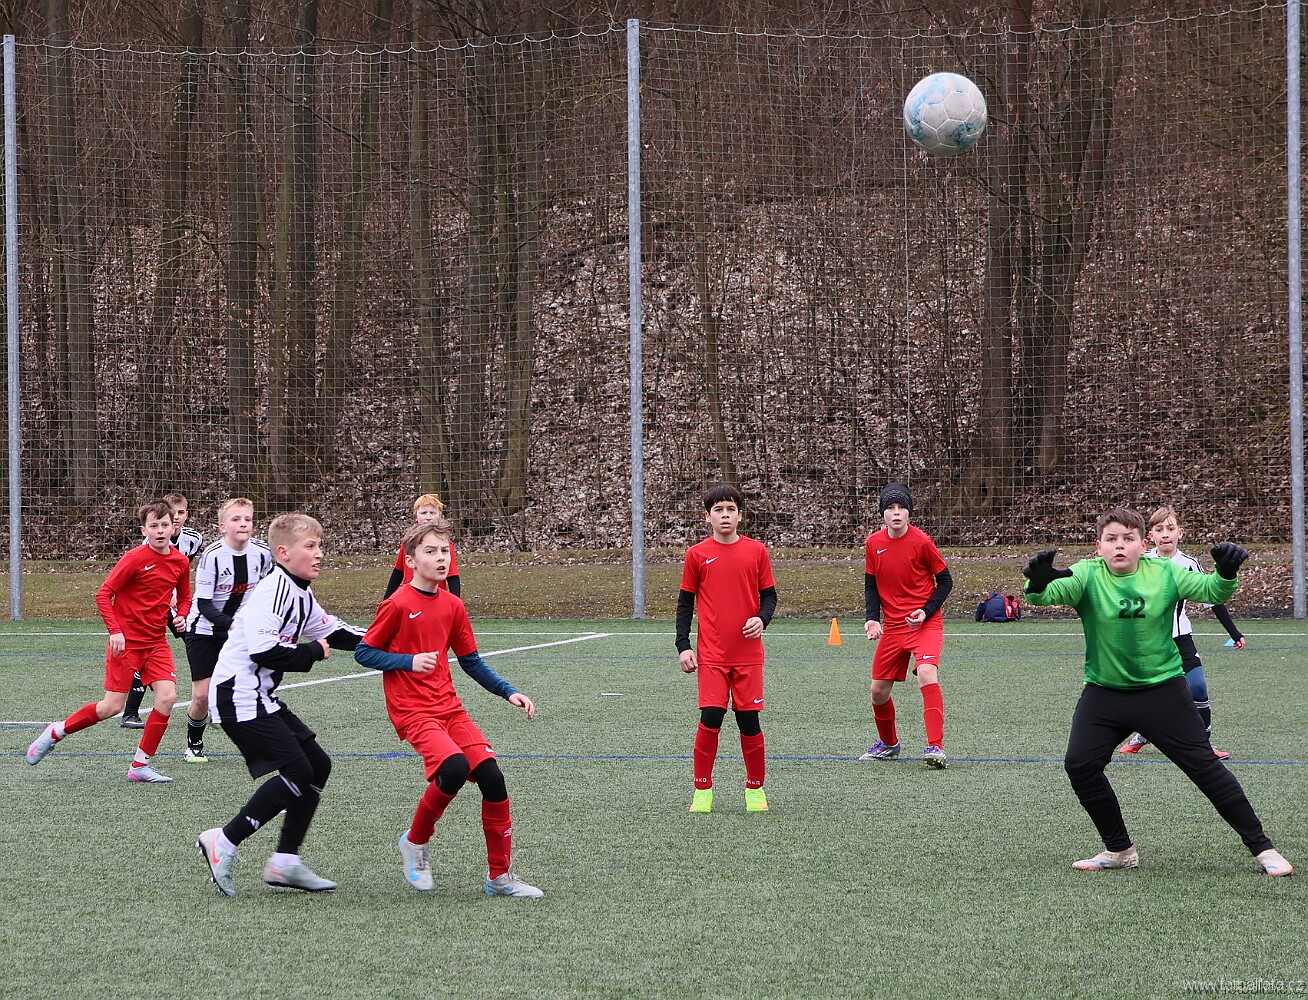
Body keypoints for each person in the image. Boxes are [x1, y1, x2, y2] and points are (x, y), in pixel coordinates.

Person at [1022, 506, 1292, 877]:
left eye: (1128, 538)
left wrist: (1226, 573)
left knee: (1205, 768)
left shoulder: (1165, 571)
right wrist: (1037, 584)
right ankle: (1120, 850)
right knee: (1080, 766)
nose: (1119, 546)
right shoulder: (1086, 573)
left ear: (1143, 543)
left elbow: (1211, 589)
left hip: (1163, 692)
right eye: (1111, 539)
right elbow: (1043, 596)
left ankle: (1264, 849)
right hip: (1104, 694)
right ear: (1098, 546)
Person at [355, 518, 542, 897]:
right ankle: (415, 842)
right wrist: (407, 662)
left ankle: (500, 877)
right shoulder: (396, 604)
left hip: (449, 708)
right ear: (410, 561)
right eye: (431, 551)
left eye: (445, 551)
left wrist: (508, 692)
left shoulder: (453, 605)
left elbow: (470, 661)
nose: (441, 558)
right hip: (412, 711)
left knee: (492, 778)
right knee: (454, 767)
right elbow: (364, 652)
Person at [196, 513, 364, 897]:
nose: (319, 554)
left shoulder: (301, 592)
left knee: (317, 766)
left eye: (320, 546)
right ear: (284, 553)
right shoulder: (271, 591)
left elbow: (334, 631)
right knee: (299, 772)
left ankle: (285, 862)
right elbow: (264, 651)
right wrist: (311, 653)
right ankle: (223, 840)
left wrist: (387, 637)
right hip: (237, 696)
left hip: (259, 696)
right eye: (311, 546)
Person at [27, 500, 191, 783]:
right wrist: (115, 631)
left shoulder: (180, 562)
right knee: (111, 707)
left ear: (173, 528)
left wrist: (182, 616)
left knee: (167, 698)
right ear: (144, 530)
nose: (160, 530)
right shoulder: (134, 558)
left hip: (156, 643)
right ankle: (57, 731)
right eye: (154, 526)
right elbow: (104, 594)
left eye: (165, 525)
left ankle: (140, 766)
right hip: (125, 643)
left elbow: (185, 597)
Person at [675, 483, 778, 814]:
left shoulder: (756, 552)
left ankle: (755, 790)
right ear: (707, 517)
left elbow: (770, 596)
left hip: (748, 655)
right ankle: (702, 791)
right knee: (711, 716)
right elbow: (685, 605)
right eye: (718, 510)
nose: (724, 515)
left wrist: (762, 619)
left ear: (740, 515)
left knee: (749, 721)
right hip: (712, 656)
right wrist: (683, 646)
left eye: (730, 509)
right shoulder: (697, 555)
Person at [1119, 504, 1246, 760]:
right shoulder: (1141, 562)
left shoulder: (1189, 564)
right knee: (1148, 692)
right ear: (1150, 536)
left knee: (1197, 686)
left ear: (1181, 533)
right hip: (1149, 640)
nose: (1165, 534)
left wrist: (1234, 632)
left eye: (1170, 528)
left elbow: (1212, 599)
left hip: (1181, 638)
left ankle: (1204, 745)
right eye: (1159, 529)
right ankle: (1144, 733)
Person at [859, 483, 953, 768]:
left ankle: (936, 747)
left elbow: (945, 582)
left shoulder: (922, 542)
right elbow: (871, 585)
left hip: (925, 625)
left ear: (909, 512)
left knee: (926, 672)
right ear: (883, 514)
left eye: (902, 508)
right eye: (890, 508)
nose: (896, 513)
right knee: (878, 691)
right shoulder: (873, 544)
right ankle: (889, 744)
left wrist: (925, 611)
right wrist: (872, 618)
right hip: (893, 627)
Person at [181, 498, 273, 762]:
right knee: (202, 695)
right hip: (204, 631)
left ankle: (257, 744)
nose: (243, 524)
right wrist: (232, 624)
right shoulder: (212, 556)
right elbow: (204, 604)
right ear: (222, 527)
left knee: (249, 689)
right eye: (236, 519)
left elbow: (269, 591)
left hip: (240, 631)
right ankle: (194, 744)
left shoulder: (262, 553)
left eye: (247, 519)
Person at [122, 491, 204, 729]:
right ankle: (130, 712)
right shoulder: (148, 544)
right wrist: (167, 597)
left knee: (197, 644)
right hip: (156, 605)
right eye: (172, 513)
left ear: (186, 515)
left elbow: (181, 570)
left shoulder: (194, 539)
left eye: (181, 513)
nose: (176, 517)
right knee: (157, 653)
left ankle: (206, 701)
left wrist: (180, 599)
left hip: (178, 604)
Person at [382, 493, 461, 599]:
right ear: (416, 517)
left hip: (434, 599)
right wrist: (386, 599)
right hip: (409, 597)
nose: (428, 517)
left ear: (440, 516)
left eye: (432, 513)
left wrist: (455, 603)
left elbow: (452, 577)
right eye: (424, 513)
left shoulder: (444, 544)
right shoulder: (408, 541)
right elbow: (398, 572)